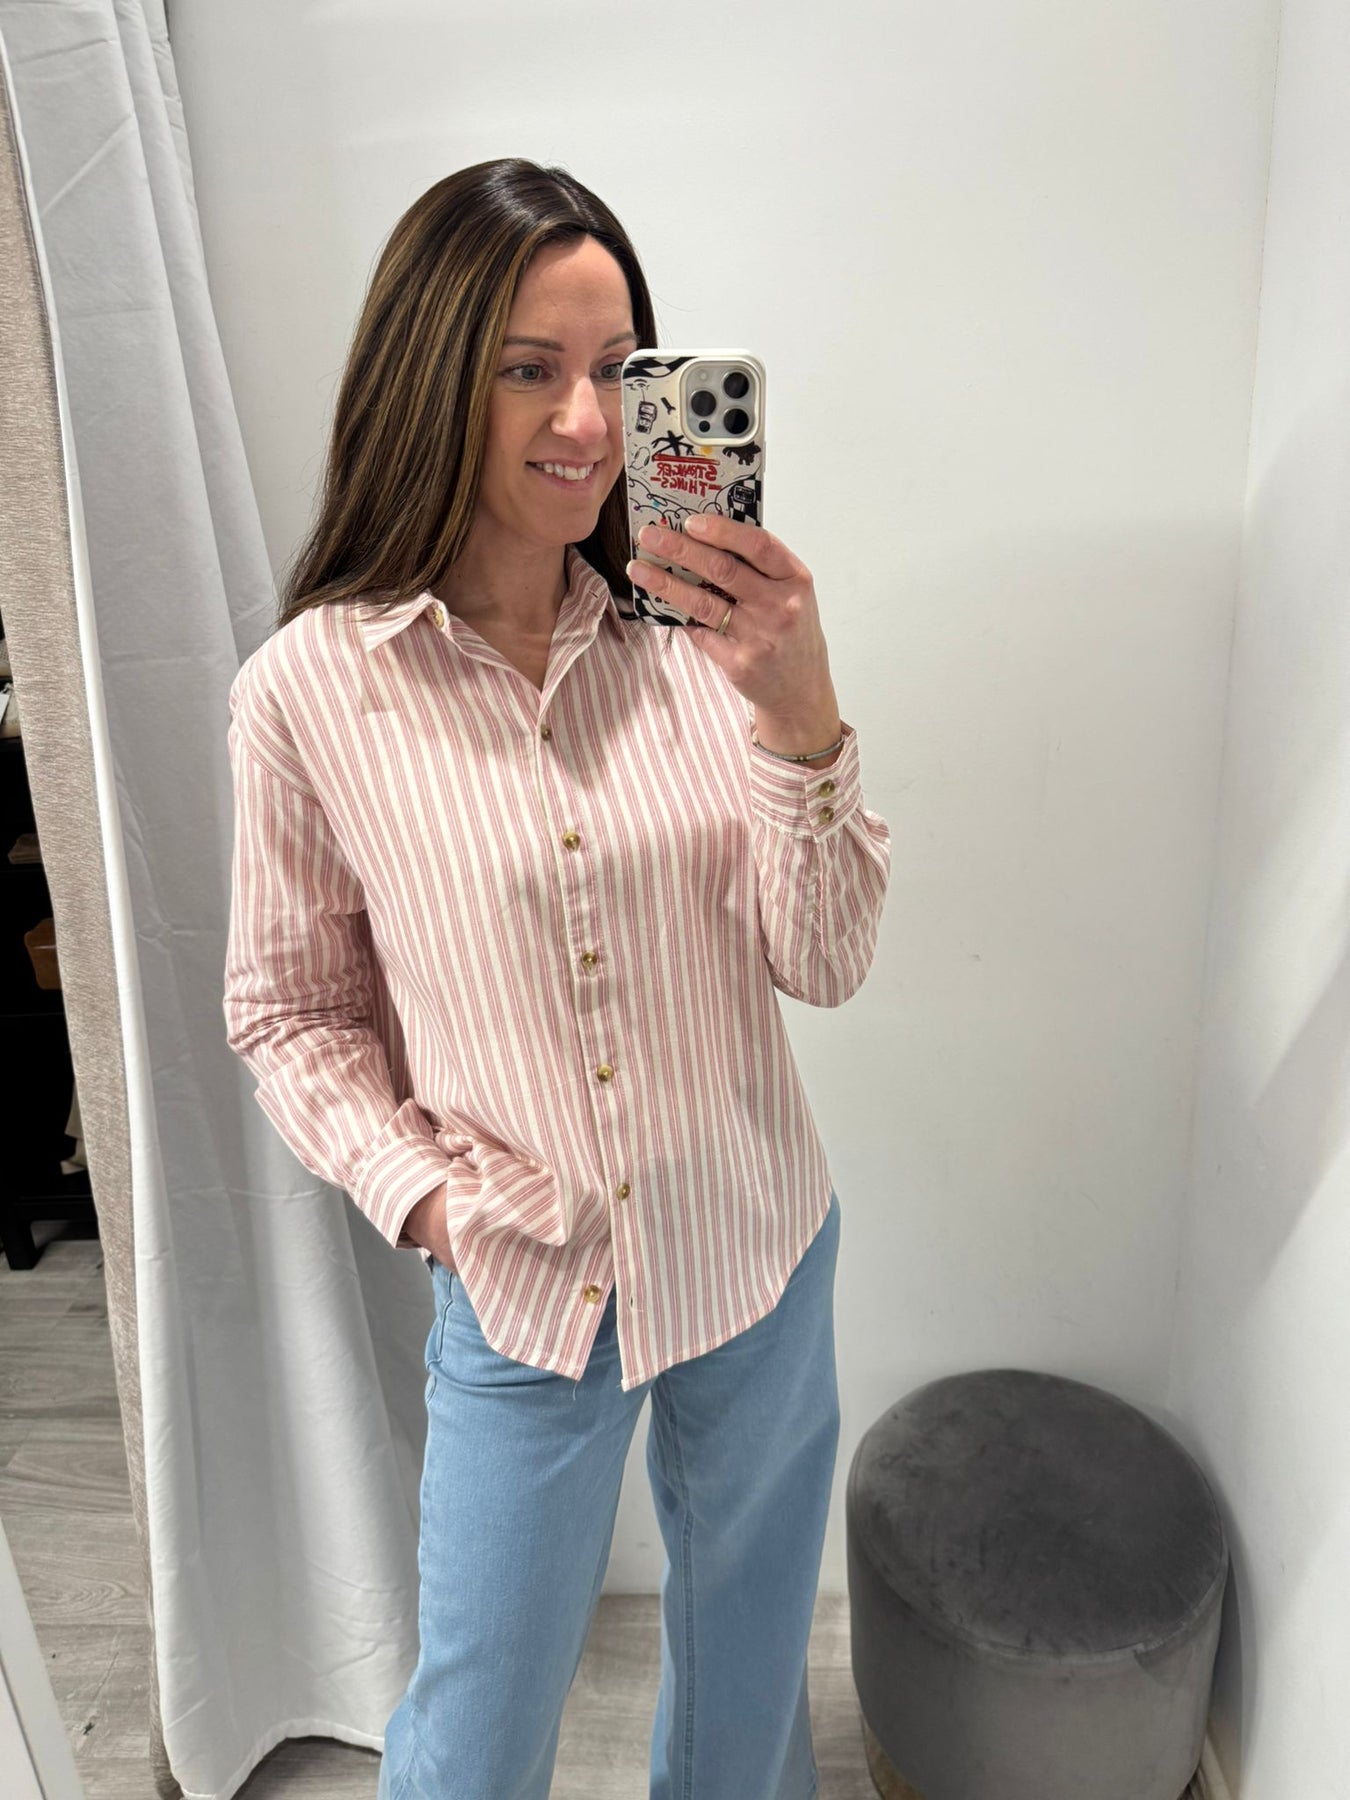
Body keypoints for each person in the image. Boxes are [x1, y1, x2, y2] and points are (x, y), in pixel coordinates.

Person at [222, 157, 892, 1800]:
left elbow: (824, 961)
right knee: (473, 1734)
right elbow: (289, 1011)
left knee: (747, 1701)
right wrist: (429, 1202)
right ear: (430, 376)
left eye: (616, 368)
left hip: (753, 1242)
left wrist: (801, 715)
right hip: (526, 1285)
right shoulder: (308, 692)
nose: (586, 422)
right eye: (529, 368)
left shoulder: (704, 646)